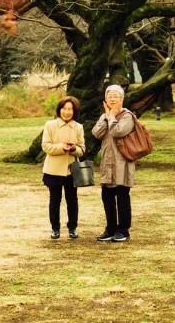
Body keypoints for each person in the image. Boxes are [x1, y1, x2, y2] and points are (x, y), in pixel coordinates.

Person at [92, 84, 135, 243]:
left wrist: (111, 117)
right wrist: (106, 117)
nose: (112, 98)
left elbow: (118, 132)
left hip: (122, 162)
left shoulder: (127, 116)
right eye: (109, 96)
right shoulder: (105, 115)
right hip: (107, 161)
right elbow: (96, 133)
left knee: (122, 195)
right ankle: (110, 228)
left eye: (115, 96)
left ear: (122, 99)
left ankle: (123, 229)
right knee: (107, 196)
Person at [41, 96, 85, 240]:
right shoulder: (50, 125)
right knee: (55, 199)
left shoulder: (78, 127)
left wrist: (73, 149)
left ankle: (72, 227)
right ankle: (55, 228)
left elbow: (82, 149)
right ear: (59, 110)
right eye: (64, 109)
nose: (67, 112)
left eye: (70, 109)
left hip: (71, 170)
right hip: (53, 169)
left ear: (75, 111)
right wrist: (62, 147)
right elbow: (46, 146)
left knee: (72, 200)